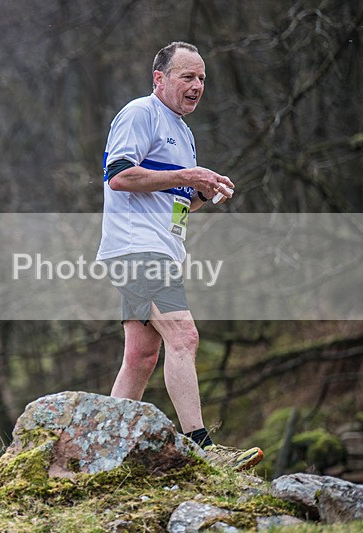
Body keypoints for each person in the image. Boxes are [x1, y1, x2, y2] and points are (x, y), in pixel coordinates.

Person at [96, 41, 262, 471]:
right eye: (187, 76)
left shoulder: (184, 132)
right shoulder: (140, 113)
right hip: (136, 249)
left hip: (161, 248)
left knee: (141, 356)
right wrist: (189, 174)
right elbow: (119, 177)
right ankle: (203, 448)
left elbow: (174, 200)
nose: (197, 86)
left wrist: (203, 195)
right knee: (184, 336)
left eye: (202, 78)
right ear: (160, 79)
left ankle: (101, 452)